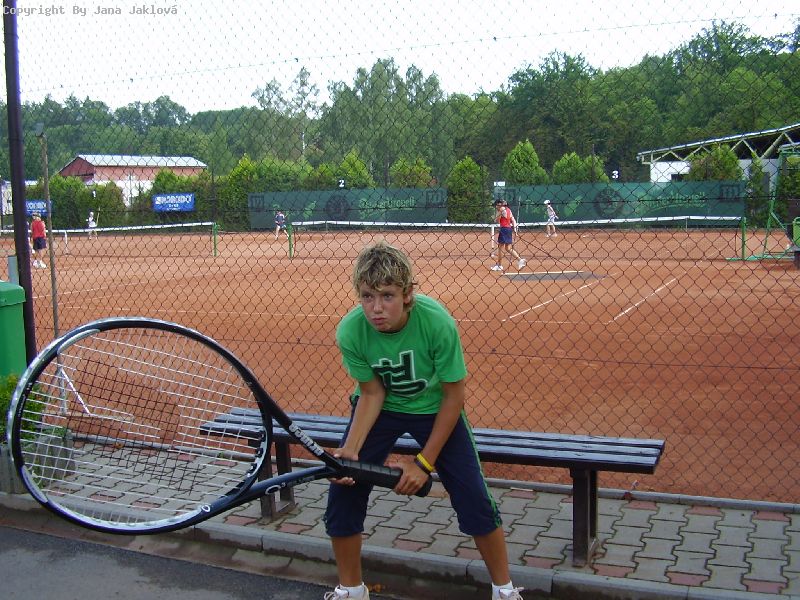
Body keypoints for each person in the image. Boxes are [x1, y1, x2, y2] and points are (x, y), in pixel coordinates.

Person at [324, 241, 523, 600]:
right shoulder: (350, 331)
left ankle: (504, 590)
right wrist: (351, 451)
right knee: (344, 489)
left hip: (435, 407)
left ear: (407, 295)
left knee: (473, 496)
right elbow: (371, 393)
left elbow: (454, 397)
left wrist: (423, 463)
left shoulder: (436, 322)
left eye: (387, 296)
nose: (376, 308)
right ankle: (351, 590)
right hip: (381, 408)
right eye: (367, 296)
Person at [491, 199, 526, 271]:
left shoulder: (501, 209)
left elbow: (496, 220)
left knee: (500, 248)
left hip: (504, 229)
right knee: (508, 248)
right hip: (509, 229)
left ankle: (499, 265)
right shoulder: (509, 210)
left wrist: (498, 215)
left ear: (499, 204)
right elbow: (513, 220)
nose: (496, 207)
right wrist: (515, 230)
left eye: (496, 205)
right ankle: (520, 260)